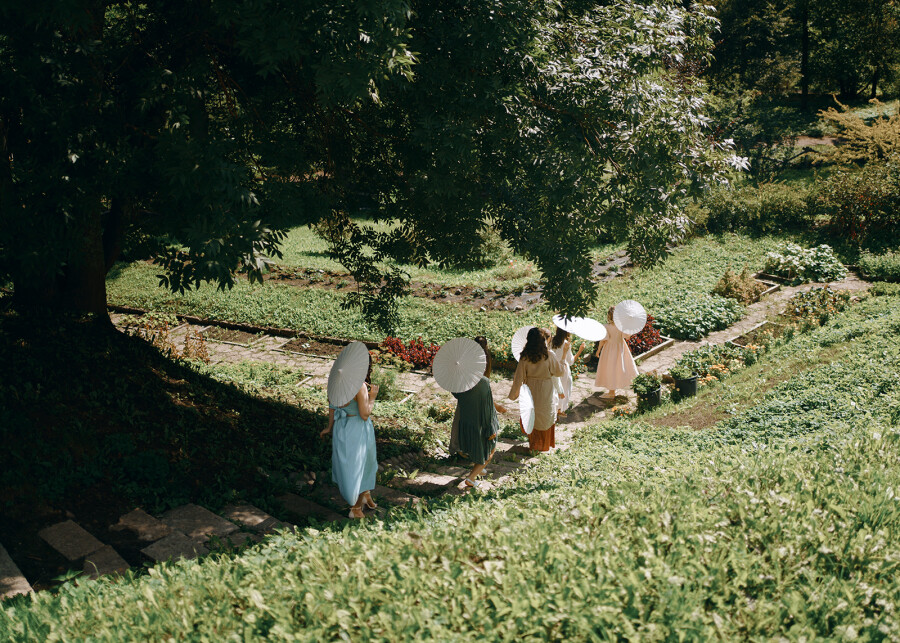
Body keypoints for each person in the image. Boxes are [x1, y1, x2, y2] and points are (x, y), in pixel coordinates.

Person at [320, 363, 379, 518]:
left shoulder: (336, 383)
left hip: (341, 428)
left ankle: (365, 494)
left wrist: (329, 427)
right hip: (357, 428)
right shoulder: (359, 386)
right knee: (361, 465)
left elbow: (332, 407)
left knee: (348, 465)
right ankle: (356, 507)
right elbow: (365, 414)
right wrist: (372, 397)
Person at [451, 337, 507, 488]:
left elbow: (458, 396)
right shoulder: (483, 382)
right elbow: (488, 409)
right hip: (480, 422)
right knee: (491, 447)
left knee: (477, 448)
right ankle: (471, 478)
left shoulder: (459, 381)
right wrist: (492, 427)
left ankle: (478, 468)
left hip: (466, 422)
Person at [508, 327, 564, 452]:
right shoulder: (549, 355)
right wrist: (563, 361)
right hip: (546, 389)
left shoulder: (524, 357)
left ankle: (534, 445)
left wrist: (513, 394)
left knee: (532, 414)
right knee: (544, 415)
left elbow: (518, 378)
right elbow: (559, 372)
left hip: (530, 389)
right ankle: (543, 446)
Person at [594, 306, 639, 399]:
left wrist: (598, 351)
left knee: (610, 368)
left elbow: (603, 340)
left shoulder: (606, 327)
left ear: (609, 316)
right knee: (618, 367)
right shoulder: (621, 326)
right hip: (620, 348)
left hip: (609, 349)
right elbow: (627, 337)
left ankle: (611, 392)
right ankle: (613, 389)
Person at [549, 326, 585, 415]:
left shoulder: (551, 341)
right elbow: (571, 361)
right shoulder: (566, 344)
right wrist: (580, 350)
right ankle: (559, 410)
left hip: (552, 367)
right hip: (563, 369)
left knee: (553, 389)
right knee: (563, 389)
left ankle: (553, 408)